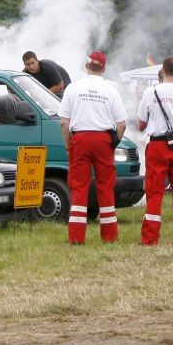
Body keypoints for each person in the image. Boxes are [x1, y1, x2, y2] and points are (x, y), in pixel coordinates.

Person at [59, 51, 127, 244]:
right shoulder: (111, 90)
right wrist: (113, 143)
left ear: (86, 65)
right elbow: (122, 124)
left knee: (79, 187)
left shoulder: (73, 88)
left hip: (79, 138)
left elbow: (64, 123)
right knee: (105, 186)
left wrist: (68, 145)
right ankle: (110, 236)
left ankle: (76, 237)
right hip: (103, 139)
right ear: (103, 69)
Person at [136, 55, 173, 246]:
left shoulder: (151, 92)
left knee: (154, 192)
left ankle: (150, 238)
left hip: (158, 145)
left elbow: (141, 122)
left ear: (163, 69)